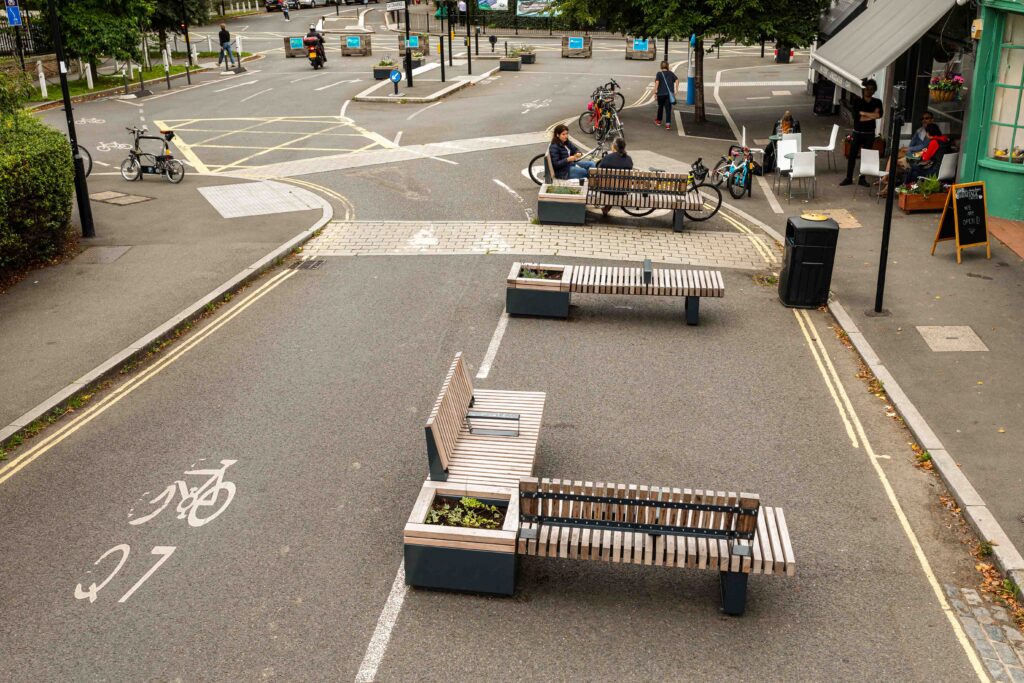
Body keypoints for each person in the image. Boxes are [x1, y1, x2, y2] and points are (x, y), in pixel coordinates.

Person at [840, 78, 883, 187]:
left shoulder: (877, 102)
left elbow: (879, 115)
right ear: (864, 90)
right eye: (867, 89)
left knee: (866, 156)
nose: (869, 91)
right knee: (852, 155)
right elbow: (857, 117)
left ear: (874, 90)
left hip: (869, 133)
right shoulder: (857, 101)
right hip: (857, 132)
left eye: (872, 89)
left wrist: (864, 114)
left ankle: (862, 178)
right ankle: (848, 177)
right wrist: (872, 115)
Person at [595, 137, 633, 216]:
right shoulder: (628, 159)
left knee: (608, 183)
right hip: (622, 191)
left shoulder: (607, 158)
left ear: (614, 146)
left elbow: (599, 172)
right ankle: (606, 208)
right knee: (616, 183)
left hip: (605, 190)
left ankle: (605, 207)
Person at [653, 61, 678, 131]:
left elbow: (657, 83)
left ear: (661, 66)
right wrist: (676, 89)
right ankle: (668, 124)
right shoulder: (671, 73)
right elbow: (677, 80)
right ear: (667, 66)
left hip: (661, 94)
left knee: (660, 107)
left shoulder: (659, 74)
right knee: (668, 109)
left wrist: (655, 92)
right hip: (668, 95)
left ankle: (658, 121)